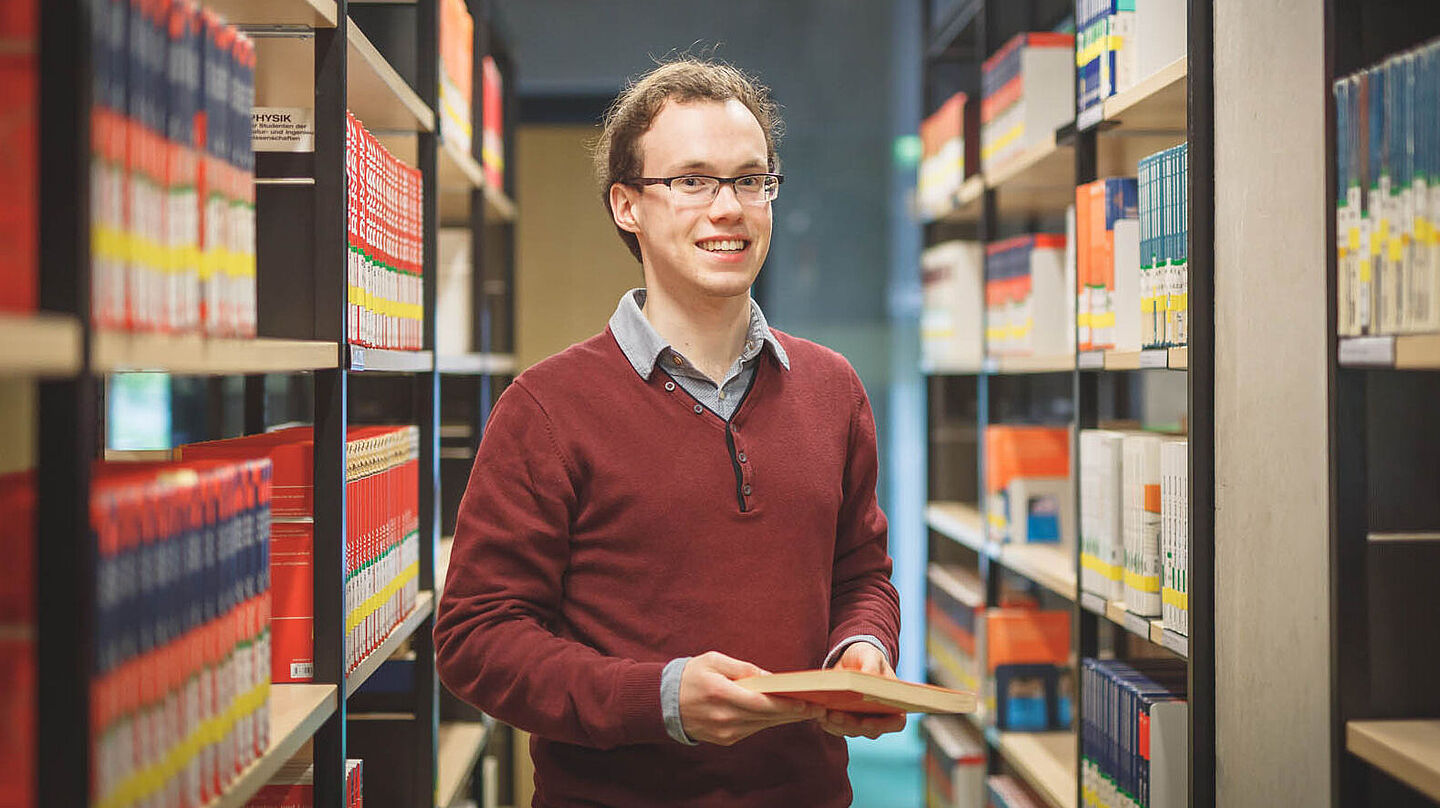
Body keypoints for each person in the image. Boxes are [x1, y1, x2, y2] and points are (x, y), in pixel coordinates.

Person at [433, 57, 903, 807]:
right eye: (692, 181)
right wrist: (658, 698)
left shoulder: (833, 389)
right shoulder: (546, 408)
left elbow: (861, 574)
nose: (730, 208)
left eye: (752, 180)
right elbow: (477, 640)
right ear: (627, 205)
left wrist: (863, 646)